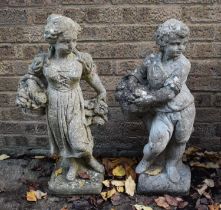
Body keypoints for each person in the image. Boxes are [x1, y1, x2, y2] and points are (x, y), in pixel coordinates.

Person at [16, 14, 107, 181]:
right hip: (54, 105)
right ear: (54, 42)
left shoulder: (81, 59)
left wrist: (101, 91)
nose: (71, 45)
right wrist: (34, 90)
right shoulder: (43, 61)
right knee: (63, 140)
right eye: (66, 42)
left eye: (74, 41)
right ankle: (73, 164)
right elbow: (29, 76)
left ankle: (89, 159)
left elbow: (91, 76)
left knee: (79, 141)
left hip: (74, 102)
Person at [123, 19, 195, 183]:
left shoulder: (183, 64)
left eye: (183, 43)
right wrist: (131, 86)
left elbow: (170, 92)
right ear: (163, 43)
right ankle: (148, 159)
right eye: (175, 44)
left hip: (183, 109)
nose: (180, 48)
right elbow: (137, 74)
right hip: (162, 111)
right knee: (157, 143)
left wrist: (146, 99)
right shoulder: (151, 60)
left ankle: (172, 165)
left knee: (179, 140)